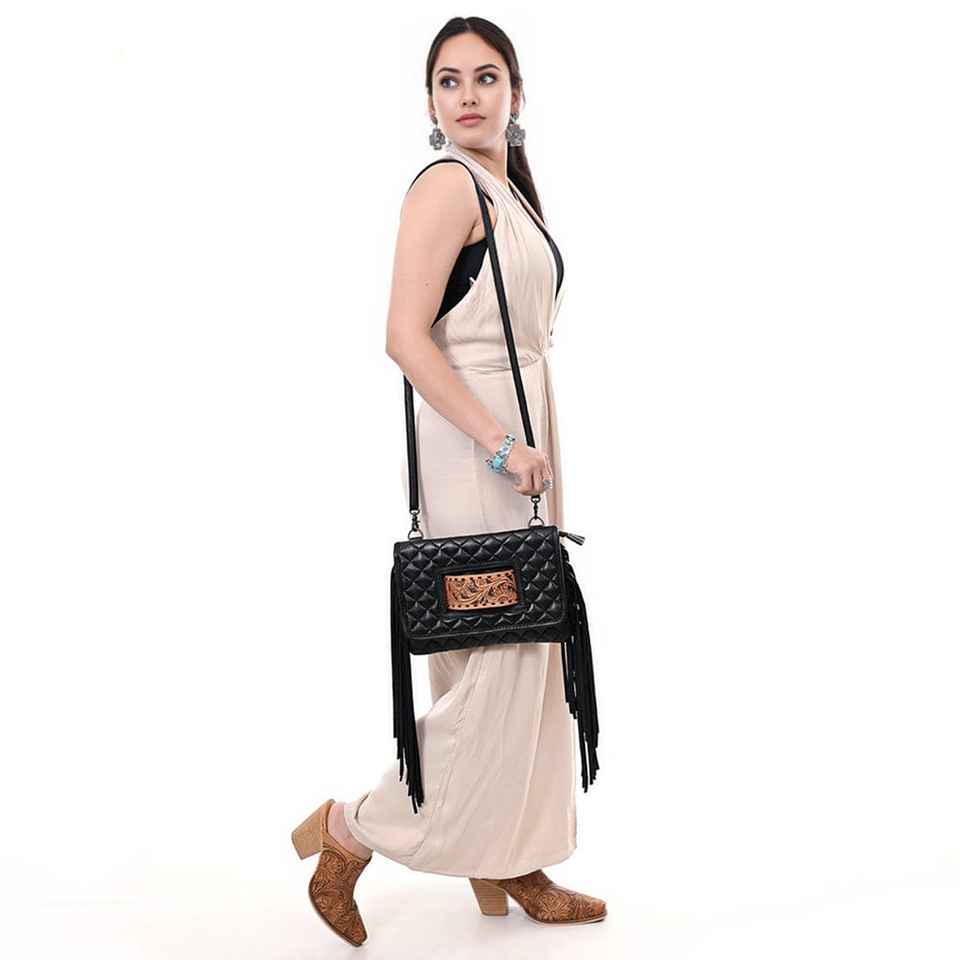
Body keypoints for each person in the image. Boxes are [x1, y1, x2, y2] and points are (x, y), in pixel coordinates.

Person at [290, 17, 606, 947]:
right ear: (430, 101)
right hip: (479, 453)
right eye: (449, 80)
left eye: (486, 77)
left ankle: (508, 854)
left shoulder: (506, 190)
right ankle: (350, 831)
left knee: (521, 665)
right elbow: (404, 335)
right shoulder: (446, 185)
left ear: (517, 93)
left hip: (516, 443)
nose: (467, 94)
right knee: (500, 672)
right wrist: (503, 445)